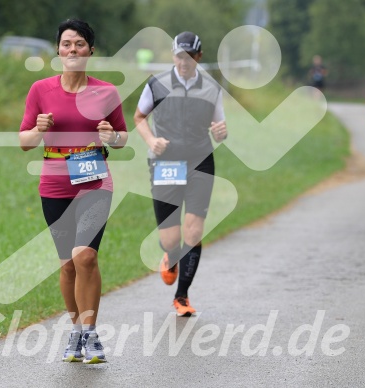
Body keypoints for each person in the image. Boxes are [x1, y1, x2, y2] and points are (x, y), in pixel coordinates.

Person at [19, 19, 128, 364]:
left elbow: (123, 138)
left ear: (91, 50)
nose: (72, 50)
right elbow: (24, 142)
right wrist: (37, 130)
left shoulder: (107, 92)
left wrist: (113, 137)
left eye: (79, 44)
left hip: (95, 177)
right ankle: (76, 331)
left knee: (86, 256)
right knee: (67, 265)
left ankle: (92, 334)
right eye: (66, 44)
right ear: (57, 50)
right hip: (54, 180)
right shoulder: (40, 90)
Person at [133, 31, 227, 317]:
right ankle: (171, 257)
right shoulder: (156, 83)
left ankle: (182, 297)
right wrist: (151, 141)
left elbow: (220, 128)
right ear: (172, 56)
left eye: (188, 57)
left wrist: (221, 132)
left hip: (200, 160)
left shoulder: (212, 87)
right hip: (166, 163)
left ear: (198, 57)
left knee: (194, 231)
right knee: (171, 239)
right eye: (178, 56)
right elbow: (139, 118)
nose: (183, 62)